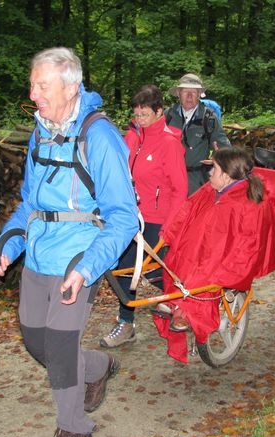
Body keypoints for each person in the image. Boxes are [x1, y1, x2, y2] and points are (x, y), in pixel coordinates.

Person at [0, 48, 139, 437]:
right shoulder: (41, 132)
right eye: (32, 84)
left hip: (78, 254)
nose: (33, 93)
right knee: (37, 341)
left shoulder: (101, 136)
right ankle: (99, 365)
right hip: (38, 253)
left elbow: (124, 217)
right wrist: (8, 244)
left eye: (42, 85)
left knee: (57, 343)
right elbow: (28, 205)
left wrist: (88, 267)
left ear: (71, 87)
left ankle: (74, 429)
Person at [153, 147, 275, 362]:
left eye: (213, 169)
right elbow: (186, 210)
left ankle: (188, 311)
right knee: (175, 260)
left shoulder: (250, 203)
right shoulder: (210, 190)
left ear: (226, 174)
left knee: (203, 275)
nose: (209, 174)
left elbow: (250, 245)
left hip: (227, 258)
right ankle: (176, 301)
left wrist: (228, 268)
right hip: (201, 248)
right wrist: (168, 235)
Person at [100, 85, 187, 348]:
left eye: (145, 115)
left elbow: (180, 188)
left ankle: (185, 304)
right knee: (122, 269)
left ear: (159, 112)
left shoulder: (169, 144)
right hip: (130, 216)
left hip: (158, 217)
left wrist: (168, 227)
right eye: (136, 115)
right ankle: (126, 324)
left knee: (155, 272)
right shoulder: (132, 137)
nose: (139, 120)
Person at [166, 73, 230, 194]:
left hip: (196, 182)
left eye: (194, 92)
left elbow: (224, 147)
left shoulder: (209, 118)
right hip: (169, 180)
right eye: (185, 91)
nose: (189, 96)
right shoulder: (168, 116)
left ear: (199, 94)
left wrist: (219, 158)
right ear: (178, 93)